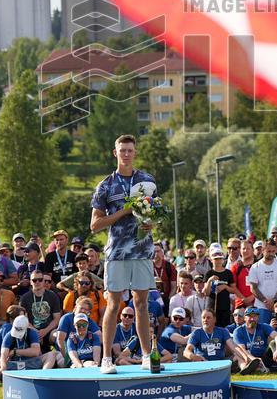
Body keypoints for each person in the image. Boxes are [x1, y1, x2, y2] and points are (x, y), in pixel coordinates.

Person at [91, 134, 159, 374]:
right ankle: (106, 359)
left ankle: (146, 356)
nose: (126, 154)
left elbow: (153, 213)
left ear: (135, 152)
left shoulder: (147, 181)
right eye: (123, 151)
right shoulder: (106, 185)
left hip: (142, 251)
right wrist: (124, 212)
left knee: (142, 304)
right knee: (113, 304)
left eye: (130, 150)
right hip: (117, 253)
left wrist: (150, 223)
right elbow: (95, 225)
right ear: (115, 153)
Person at [247, 239, 277, 325]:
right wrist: (265, 301)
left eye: (273, 251)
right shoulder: (255, 267)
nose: (271, 253)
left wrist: (273, 301)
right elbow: (253, 288)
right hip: (261, 307)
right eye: (269, 251)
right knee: (264, 332)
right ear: (262, 250)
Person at [231, 306, 277, 374]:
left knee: (274, 343)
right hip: (248, 357)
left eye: (255, 316)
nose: (252, 319)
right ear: (244, 318)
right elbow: (242, 349)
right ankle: (246, 368)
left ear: (258, 318)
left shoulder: (264, 326)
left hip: (264, 357)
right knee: (238, 353)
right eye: (249, 316)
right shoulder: (238, 331)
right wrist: (254, 359)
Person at [19, 270, 62, 354]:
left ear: (43, 281)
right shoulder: (24, 298)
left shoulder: (52, 296)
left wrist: (45, 331)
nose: (37, 282)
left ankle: (62, 358)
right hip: (32, 331)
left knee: (57, 335)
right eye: (34, 280)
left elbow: (57, 318)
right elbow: (24, 320)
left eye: (40, 280)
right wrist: (36, 333)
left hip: (49, 330)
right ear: (31, 282)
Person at [203, 247, 240, 328]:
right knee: (211, 328)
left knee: (225, 329)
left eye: (220, 259)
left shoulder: (228, 273)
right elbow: (206, 293)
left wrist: (225, 287)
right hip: (212, 307)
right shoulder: (208, 273)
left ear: (223, 260)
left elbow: (233, 290)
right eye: (215, 259)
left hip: (225, 307)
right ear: (211, 260)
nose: (218, 261)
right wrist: (209, 281)